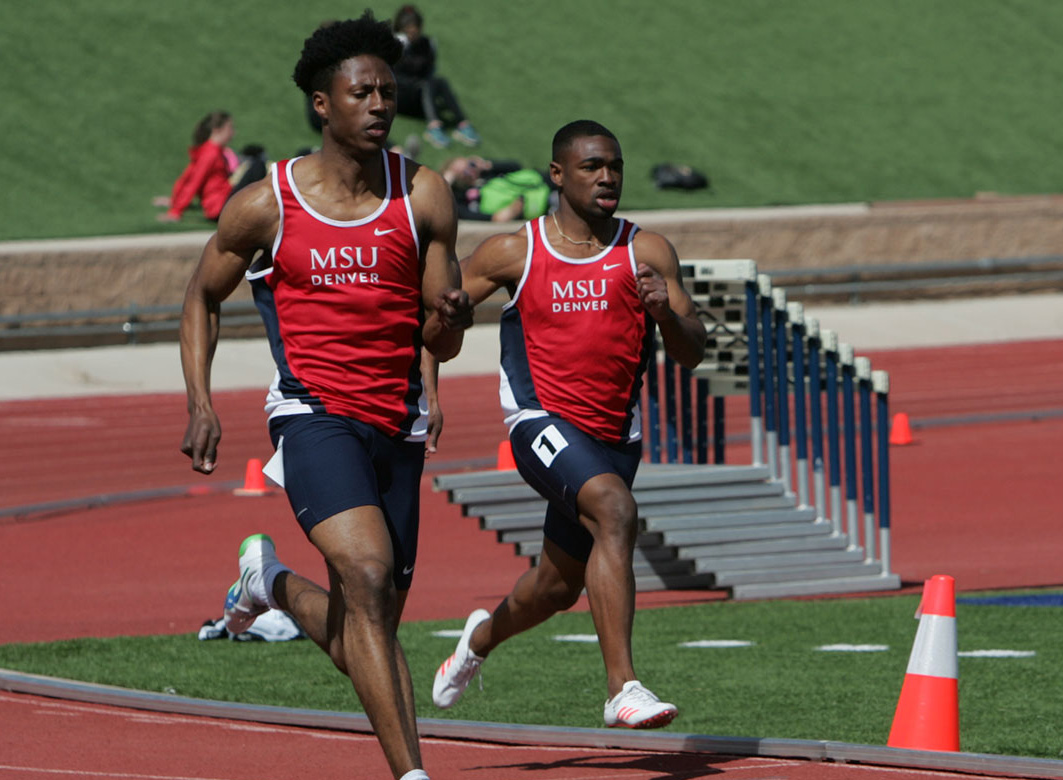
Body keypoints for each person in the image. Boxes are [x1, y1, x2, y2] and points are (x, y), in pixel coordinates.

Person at [178, 14, 472, 780]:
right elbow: (202, 296)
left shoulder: (426, 196)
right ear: (322, 103)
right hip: (313, 414)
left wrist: (449, 327)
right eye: (362, 92)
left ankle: (265, 581)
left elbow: (441, 341)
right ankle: (412, 774)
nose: (381, 104)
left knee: (362, 630)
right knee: (368, 578)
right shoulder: (266, 204)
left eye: (388, 91)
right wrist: (200, 401)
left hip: (396, 424)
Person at [429, 120, 706, 729]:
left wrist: (665, 314)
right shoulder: (515, 251)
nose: (607, 177)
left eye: (615, 166)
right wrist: (432, 376)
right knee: (614, 509)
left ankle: (477, 642)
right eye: (591, 167)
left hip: (614, 436)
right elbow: (435, 322)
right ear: (557, 174)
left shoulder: (647, 250)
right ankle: (622, 687)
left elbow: (693, 351)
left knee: (555, 588)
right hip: (540, 421)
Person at [390, 5, 482, 149]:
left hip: (420, 94)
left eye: (415, 31)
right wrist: (401, 48)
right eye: (409, 31)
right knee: (427, 83)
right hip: (400, 96)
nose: (413, 35)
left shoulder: (427, 44)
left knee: (440, 81)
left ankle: (463, 123)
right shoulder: (394, 45)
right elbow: (391, 75)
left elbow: (430, 71)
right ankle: (433, 127)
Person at [159, 111, 239, 222]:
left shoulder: (210, 150)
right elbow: (193, 182)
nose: (233, 133)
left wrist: (175, 200)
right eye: (230, 128)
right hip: (220, 206)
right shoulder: (211, 153)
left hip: (221, 202)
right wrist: (176, 211)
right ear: (217, 130)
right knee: (256, 166)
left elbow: (187, 177)